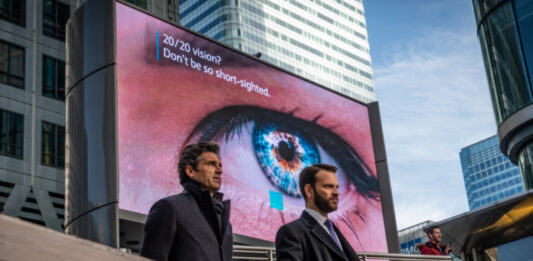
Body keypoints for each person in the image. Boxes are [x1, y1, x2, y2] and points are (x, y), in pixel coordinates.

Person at [140, 142, 233, 261]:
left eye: (220, 165)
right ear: (190, 171)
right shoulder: (169, 207)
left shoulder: (226, 223)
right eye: (211, 164)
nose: (220, 170)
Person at [275, 164, 361, 261]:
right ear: (309, 190)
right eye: (328, 186)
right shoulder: (291, 232)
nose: (336, 192)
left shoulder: (333, 230)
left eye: (337, 187)